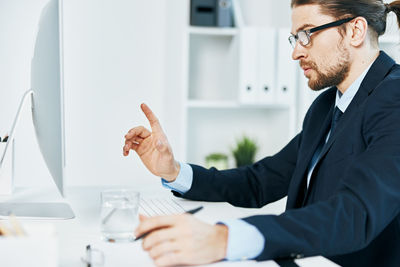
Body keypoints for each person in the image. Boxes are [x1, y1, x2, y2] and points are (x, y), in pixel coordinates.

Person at [123, 0, 400, 266]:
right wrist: (174, 171)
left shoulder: (394, 99)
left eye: (307, 34)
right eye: (295, 38)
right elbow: (261, 181)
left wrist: (224, 239)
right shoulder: (327, 106)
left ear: (355, 30)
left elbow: (355, 214)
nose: (296, 52)